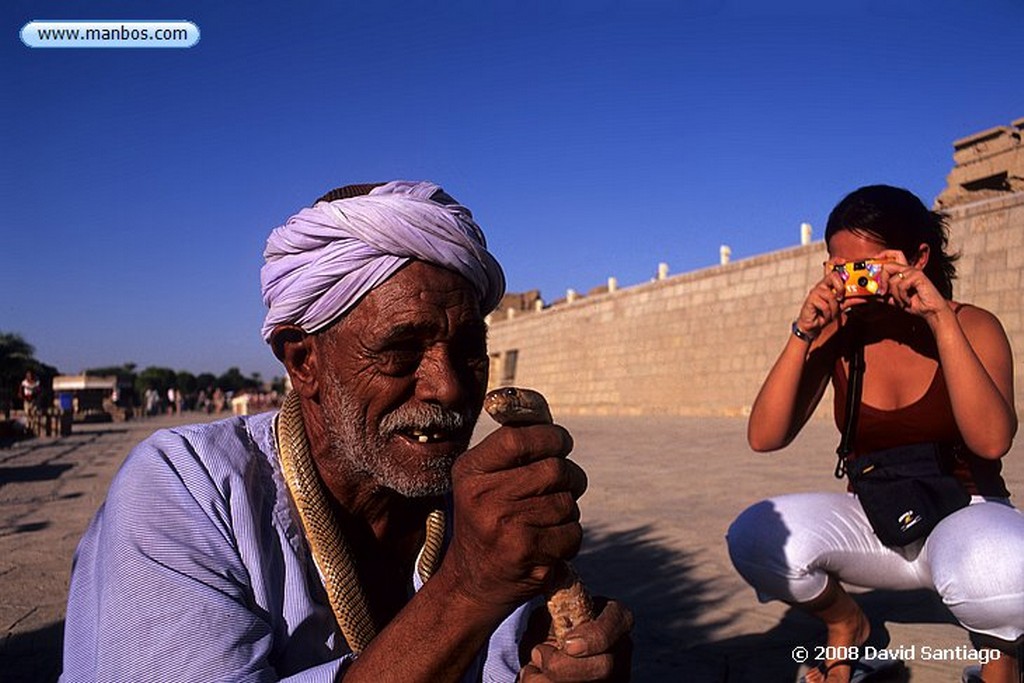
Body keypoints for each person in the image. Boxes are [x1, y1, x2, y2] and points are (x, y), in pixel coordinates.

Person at [61, 180, 633, 682]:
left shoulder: (476, 515)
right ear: (302, 361)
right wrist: (466, 589)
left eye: (469, 352)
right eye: (400, 351)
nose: (450, 387)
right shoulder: (182, 490)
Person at [727, 185, 1022, 683]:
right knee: (755, 536)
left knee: (1003, 570)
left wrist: (938, 320)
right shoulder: (841, 336)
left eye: (868, 266)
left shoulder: (973, 325)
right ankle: (848, 626)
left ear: (917, 257)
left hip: (965, 514)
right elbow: (765, 436)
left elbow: (992, 442)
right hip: (879, 520)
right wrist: (803, 333)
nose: (852, 282)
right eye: (838, 268)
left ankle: (1002, 660)